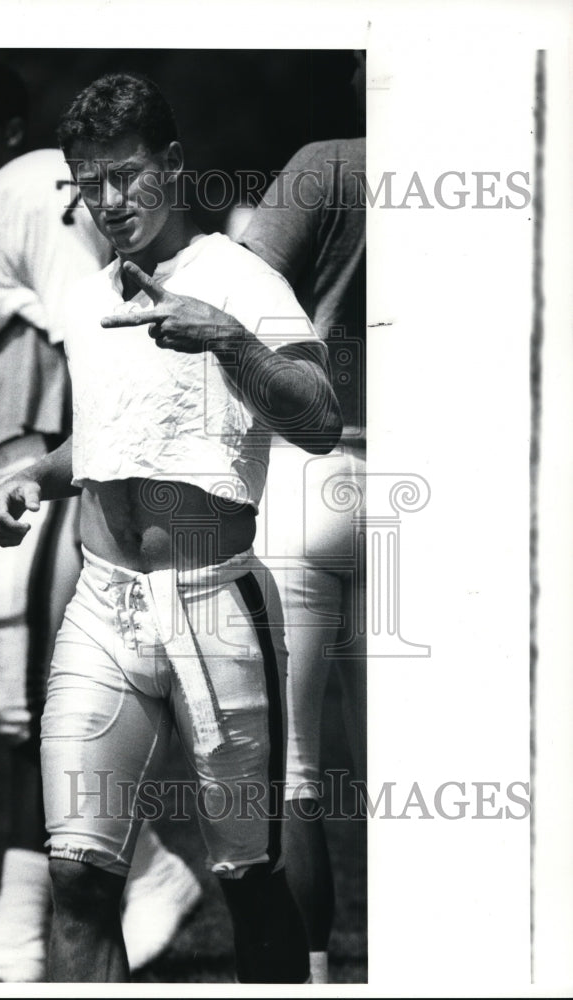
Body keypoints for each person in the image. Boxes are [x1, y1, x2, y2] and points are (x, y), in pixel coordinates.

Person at [0, 72, 343, 983]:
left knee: (251, 880)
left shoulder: (239, 276)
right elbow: (103, 440)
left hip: (218, 603)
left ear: (173, 164)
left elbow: (319, 419)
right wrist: (31, 476)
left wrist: (228, 338)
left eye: (126, 174)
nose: (110, 200)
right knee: (77, 877)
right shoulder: (88, 297)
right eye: (88, 181)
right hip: (103, 609)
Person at [0, 58, 200, 983]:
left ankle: (148, 869)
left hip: (52, 475)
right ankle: (21, 917)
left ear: (12, 130)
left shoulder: (34, 191)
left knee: (41, 709)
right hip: (5, 476)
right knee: (14, 715)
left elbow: (96, 332)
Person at [239, 126, 367, 984]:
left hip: (311, 470)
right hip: (445, 478)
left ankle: (313, 975)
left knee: (293, 774)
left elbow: (244, 295)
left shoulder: (329, 164)